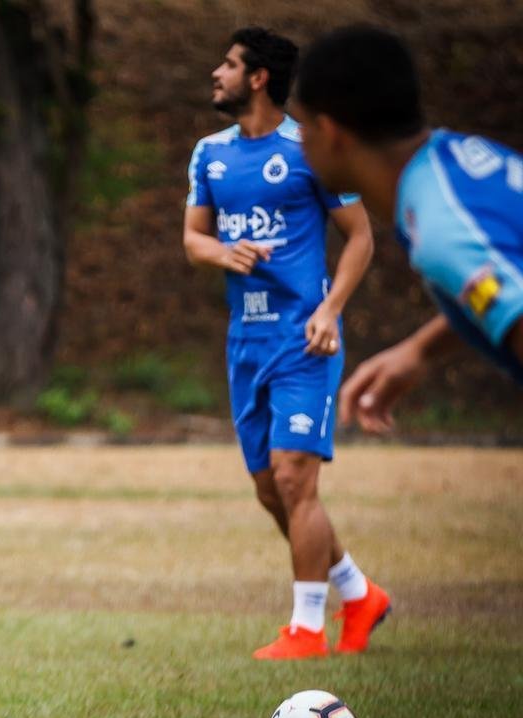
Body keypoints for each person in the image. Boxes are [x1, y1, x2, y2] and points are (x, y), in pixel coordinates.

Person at [182, 27, 390, 659]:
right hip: (245, 341)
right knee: (271, 489)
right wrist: (224, 249)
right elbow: (194, 240)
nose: (216, 73)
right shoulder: (209, 153)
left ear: (259, 78)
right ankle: (358, 593)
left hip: (306, 338)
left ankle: (306, 629)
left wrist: (331, 309)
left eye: (229, 63)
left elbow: (361, 237)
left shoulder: (310, 149)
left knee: (297, 480)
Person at [292, 25, 523, 433]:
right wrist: (421, 350)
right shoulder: (456, 160)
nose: (299, 144)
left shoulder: (443, 225)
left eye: (302, 128)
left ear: (331, 134)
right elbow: (506, 282)